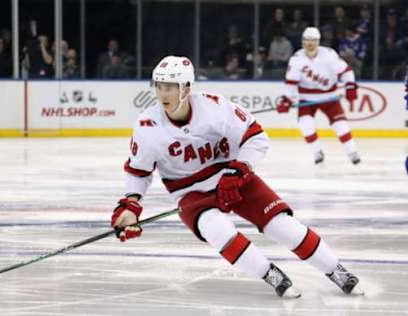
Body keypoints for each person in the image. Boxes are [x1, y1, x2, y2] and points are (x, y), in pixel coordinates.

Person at [110, 55, 364, 298]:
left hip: (234, 177)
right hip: (190, 193)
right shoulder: (147, 126)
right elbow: (138, 171)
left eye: (170, 86)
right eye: (159, 86)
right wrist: (131, 205)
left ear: (186, 88)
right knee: (217, 230)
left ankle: (336, 270)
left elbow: (256, 137)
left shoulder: (215, 107)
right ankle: (271, 275)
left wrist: (239, 168)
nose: (162, 93)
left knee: (283, 227)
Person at [276, 27, 361, 165]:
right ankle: (317, 152)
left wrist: (350, 86)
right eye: (307, 40)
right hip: (306, 98)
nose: (310, 43)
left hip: (329, 97)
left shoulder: (329, 55)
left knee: (341, 125)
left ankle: (352, 152)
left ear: (318, 41)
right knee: (306, 125)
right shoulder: (296, 59)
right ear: (303, 41)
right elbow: (291, 84)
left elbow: (346, 72)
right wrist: (286, 99)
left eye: (313, 40)